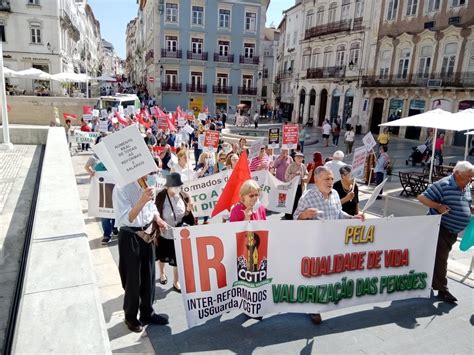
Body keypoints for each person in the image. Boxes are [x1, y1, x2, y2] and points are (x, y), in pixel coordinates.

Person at [294, 166, 364, 325]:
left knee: (327, 273)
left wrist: (352, 217)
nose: (331, 182)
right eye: (327, 179)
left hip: (332, 242)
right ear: (316, 179)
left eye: (332, 179)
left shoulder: (336, 194)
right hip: (313, 244)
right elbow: (294, 220)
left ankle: (324, 299)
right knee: (314, 275)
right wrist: (304, 215)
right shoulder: (307, 197)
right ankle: (313, 308)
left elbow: (339, 213)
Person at [112, 174, 169, 332]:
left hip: (148, 233)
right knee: (133, 279)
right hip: (130, 236)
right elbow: (125, 218)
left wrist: (157, 219)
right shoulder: (121, 187)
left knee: (149, 276)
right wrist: (142, 200)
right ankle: (130, 316)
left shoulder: (149, 182)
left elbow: (152, 207)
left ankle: (147, 312)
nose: (150, 174)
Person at [417, 161, 474, 303]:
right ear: (457, 174)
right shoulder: (444, 184)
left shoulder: (466, 186)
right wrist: (438, 206)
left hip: (452, 232)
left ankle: (428, 281)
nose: (470, 180)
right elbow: (422, 197)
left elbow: (465, 202)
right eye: (467, 177)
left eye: (471, 177)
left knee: (437, 258)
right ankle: (443, 289)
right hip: (440, 227)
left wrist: (470, 210)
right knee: (441, 259)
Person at [155, 173, 194, 293]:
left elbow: (186, 217)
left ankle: (176, 282)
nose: (178, 188)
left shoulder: (182, 196)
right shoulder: (161, 197)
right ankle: (162, 274)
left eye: (179, 186)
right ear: (168, 187)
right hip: (164, 233)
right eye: (175, 186)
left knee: (177, 259)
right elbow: (155, 214)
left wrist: (188, 210)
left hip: (178, 234)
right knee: (162, 256)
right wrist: (158, 226)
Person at [284, 152, 309, 220]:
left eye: (301, 158)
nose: (300, 159)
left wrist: (305, 177)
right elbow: (286, 177)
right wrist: (295, 174)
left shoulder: (303, 166)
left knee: (298, 201)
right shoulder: (291, 166)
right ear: (295, 158)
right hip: (291, 187)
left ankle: (296, 215)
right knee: (291, 201)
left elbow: (307, 174)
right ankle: (288, 216)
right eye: (298, 158)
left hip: (299, 186)